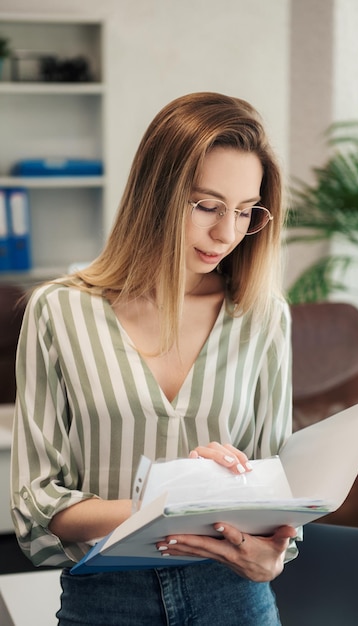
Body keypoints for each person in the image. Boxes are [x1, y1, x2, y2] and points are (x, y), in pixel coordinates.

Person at [11, 92, 298, 625]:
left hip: (232, 599)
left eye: (244, 212)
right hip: (105, 600)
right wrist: (169, 503)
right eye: (207, 206)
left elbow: (275, 487)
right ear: (155, 194)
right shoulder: (59, 310)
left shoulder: (262, 316)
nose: (226, 234)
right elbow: (37, 503)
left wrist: (273, 556)